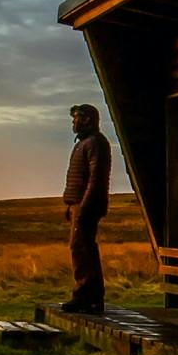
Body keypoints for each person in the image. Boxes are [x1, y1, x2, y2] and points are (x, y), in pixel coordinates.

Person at [60, 102, 111, 314]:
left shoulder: (95, 143)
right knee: (82, 249)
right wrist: (69, 203)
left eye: (77, 118)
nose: (74, 122)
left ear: (88, 120)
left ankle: (85, 296)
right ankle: (89, 297)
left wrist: (84, 207)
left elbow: (95, 179)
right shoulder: (85, 143)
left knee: (82, 249)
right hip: (79, 204)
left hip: (86, 205)